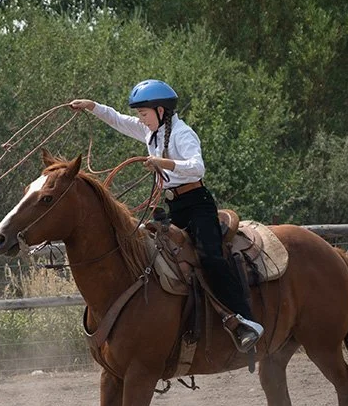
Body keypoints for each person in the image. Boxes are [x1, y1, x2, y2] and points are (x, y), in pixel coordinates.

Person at [69, 80, 264, 353]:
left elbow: (197, 168)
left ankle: (245, 321)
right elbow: (118, 120)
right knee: (160, 257)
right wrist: (92, 107)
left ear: (161, 111)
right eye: (140, 114)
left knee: (210, 257)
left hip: (198, 205)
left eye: (144, 114)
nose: (140, 119)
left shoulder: (182, 134)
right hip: (175, 206)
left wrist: (164, 163)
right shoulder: (151, 132)